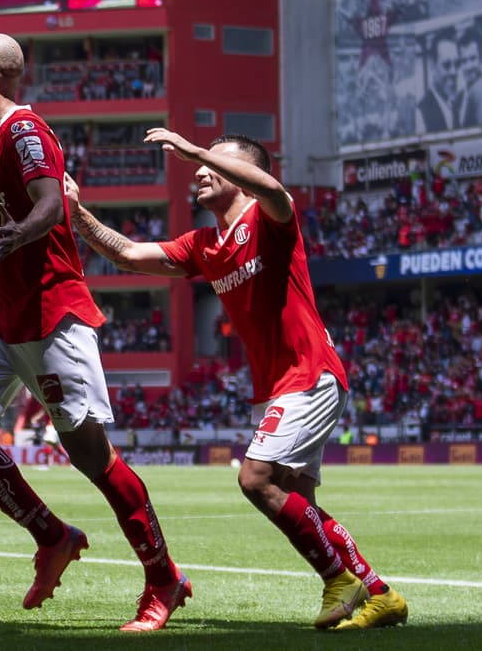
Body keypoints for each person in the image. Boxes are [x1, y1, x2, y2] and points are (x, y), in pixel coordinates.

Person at [0, 33, 189, 631]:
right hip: (3, 316)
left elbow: (50, 200)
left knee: (91, 456)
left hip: (53, 315)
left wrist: (26, 230)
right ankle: (52, 535)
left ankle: (164, 578)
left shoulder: (25, 131)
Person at [67, 130, 409, 631]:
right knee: (297, 500)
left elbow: (275, 191)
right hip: (275, 386)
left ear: (244, 178)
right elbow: (129, 255)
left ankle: (339, 580)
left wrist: (196, 150)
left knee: (255, 479)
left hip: (308, 374)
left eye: (215, 164)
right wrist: (78, 214)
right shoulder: (204, 245)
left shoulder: (268, 220)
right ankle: (380, 594)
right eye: (201, 165)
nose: (201, 171)